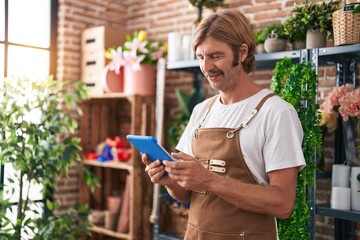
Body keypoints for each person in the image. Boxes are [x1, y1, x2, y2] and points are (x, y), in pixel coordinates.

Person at [142, 8, 305, 240]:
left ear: (242, 52)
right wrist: (169, 180)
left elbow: (282, 203)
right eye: (200, 57)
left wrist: (209, 179)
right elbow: (186, 195)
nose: (206, 67)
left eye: (215, 56)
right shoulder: (202, 111)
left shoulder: (276, 112)